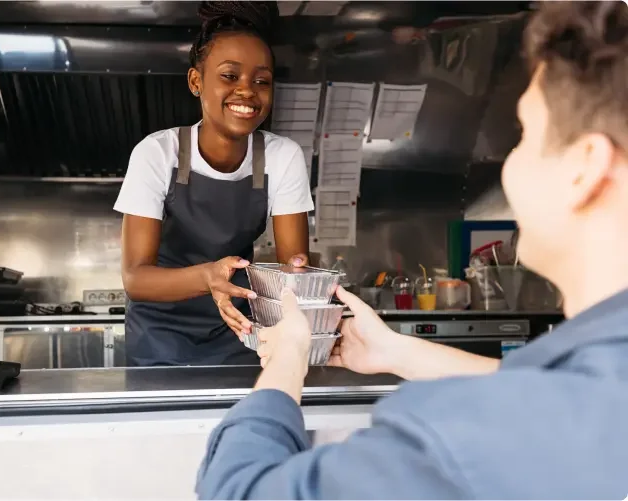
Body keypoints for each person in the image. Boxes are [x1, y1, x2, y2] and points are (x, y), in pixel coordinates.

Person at [195, 1, 628, 498]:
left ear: (585, 168)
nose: (508, 166)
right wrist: (397, 352)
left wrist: (288, 358)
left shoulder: (457, 440)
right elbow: (552, 398)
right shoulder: (599, 390)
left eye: (524, 136)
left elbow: (240, 491)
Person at [114, 1, 314, 367]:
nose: (247, 91)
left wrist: (302, 280)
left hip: (239, 332)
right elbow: (136, 278)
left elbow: (293, 269)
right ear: (196, 81)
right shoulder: (158, 153)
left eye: (261, 81)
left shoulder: (282, 157)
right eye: (229, 76)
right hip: (159, 337)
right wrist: (208, 276)